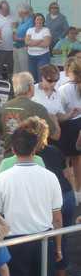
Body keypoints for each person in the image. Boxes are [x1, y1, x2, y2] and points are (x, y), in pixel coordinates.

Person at [0, 128, 63, 276]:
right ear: (35, 149)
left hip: (14, 244)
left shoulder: (1, 179)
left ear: (13, 149)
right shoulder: (50, 177)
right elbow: (57, 218)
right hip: (44, 239)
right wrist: (58, 247)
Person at [18, 116, 75, 276]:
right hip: (67, 197)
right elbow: (68, 173)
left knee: (49, 243)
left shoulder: (29, 156)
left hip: (50, 202)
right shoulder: (55, 150)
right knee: (61, 241)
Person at [0, 71, 59, 155]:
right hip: (32, 159)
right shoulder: (38, 108)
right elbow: (55, 135)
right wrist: (54, 118)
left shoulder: (4, 106)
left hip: (9, 157)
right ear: (30, 87)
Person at [59, 58, 81, 194]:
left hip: (69, 125)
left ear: (68, 71)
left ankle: (69, 191)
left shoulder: (64, 89)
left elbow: (61, 110)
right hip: (79, 124)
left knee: (65, 161)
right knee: (77, 161)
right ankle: (79, 190)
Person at [25, 13, 52, 82]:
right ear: (34, 21)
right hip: (31, 57)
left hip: (43, 56)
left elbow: (46, 44)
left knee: (42, 77)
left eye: (41, 19)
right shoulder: (29, 30)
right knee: (32, 77)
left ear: (43, 21)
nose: (39, 21)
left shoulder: (46, 30)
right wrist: (40, 40)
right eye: (37, 19)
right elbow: (27, 42)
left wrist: (32, 42)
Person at [0, 1, 15, 80]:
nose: (7, 11)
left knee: (11, 68)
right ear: (0, 9)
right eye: (5, 9)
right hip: (0, 48)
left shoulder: (12, 17)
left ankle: (11, 83)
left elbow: (16, 29)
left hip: (12, 48)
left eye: (7, 9)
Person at [13, 3, 34, 74]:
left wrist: (18, 39)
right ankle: (17, 84)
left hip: (24, 48)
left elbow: (31, 36)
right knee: (16, 70)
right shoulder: (21, 21)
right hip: (17, 48)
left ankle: (25, 85)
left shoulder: (30, 22)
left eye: (19, 11)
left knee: (24, 70)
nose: (18, 13)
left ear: (25, 12)